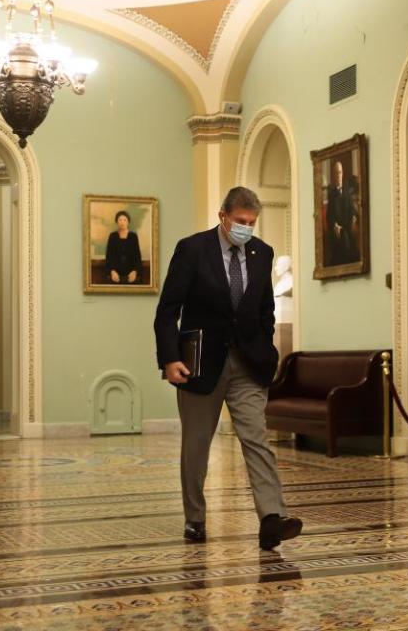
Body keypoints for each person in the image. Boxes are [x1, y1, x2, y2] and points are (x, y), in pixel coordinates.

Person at [153, 186, 303, 551]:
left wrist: (266, 348)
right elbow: (168, 310)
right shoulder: (192, 250)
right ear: (223, 216)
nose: (247, 228)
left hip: (248, 364)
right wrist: (170, 358)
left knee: (256, 438)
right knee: (197, 444)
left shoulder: (261, 253)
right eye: (241, 222)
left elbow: (264, 308)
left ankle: (272, 517)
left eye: (252, 223)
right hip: (200, 364)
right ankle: (195, 518)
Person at [325, 160, 359, 265]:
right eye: (336, 173)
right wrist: (334, 225)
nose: (338, 176)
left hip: (348, 226)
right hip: (337, 229)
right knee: (342, 241)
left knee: (352, 246)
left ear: (342, 174)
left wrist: (353, 218)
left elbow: (352, 209)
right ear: (333, 175)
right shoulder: (331, 193)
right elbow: (329, 215)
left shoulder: (346, 191)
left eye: (339, 173)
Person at [105, 210, 141, 284]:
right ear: (117, 222)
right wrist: (112, 271)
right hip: (115, 273)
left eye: (124, 220)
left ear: (128, 222)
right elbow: (109, 256)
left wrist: (135, 271)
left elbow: (137, 256)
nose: (122, 222)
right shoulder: (113, 236)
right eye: (120, 220)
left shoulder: (133, 236)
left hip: (131, 272)